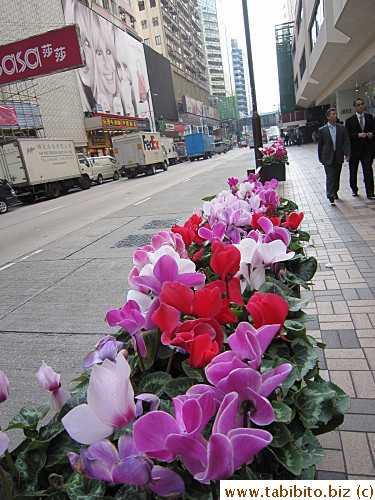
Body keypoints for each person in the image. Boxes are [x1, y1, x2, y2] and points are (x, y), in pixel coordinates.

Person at [318, 107, 351, 206]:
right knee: (330, 176)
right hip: (327, 157)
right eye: (333, 114)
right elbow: (321, 145)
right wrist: (320, 157)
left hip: (338, 156)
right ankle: (330, 195)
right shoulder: (322, 130)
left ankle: (335, 191)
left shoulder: (342, 128)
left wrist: (347, 153)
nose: (335, 115)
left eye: (336, 114)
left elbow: (346, 141)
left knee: (337, 176)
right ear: (328, 117)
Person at [345, 97, 375, 198]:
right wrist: (358, 135)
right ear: (354, 107)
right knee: (353, 171)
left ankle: (370, 192)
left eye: (362, 104)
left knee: (368, 170)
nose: (361, 106)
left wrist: (371, 134)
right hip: (355, 150)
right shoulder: (349, 121)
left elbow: (374, 129)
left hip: (367, 149)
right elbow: (347, 136)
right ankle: (354, 189)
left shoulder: (369, 117)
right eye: (358, 105)